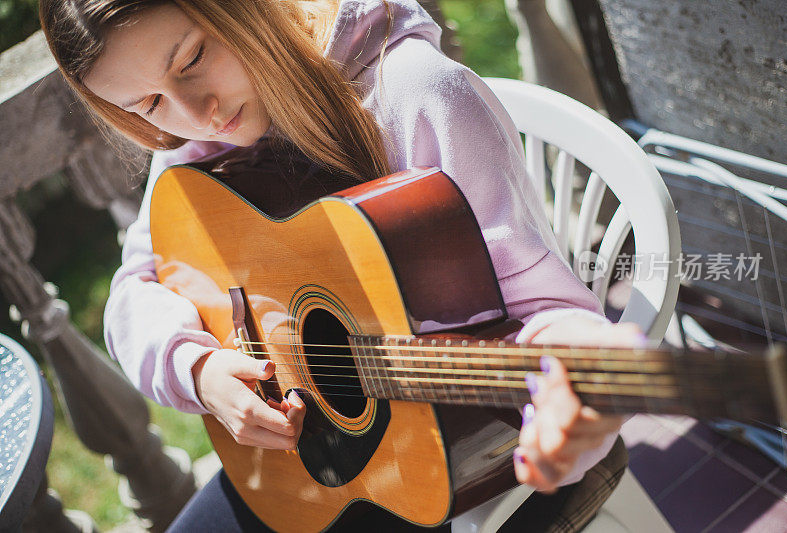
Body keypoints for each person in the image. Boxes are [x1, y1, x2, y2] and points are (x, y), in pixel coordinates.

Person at [40, 0, 643, 529]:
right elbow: (131, 291)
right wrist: (194, 370)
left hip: (446, 468)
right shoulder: (193, 151)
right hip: (299, 470)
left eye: (194, 57)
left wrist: (577, 390)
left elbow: (546, 312)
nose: (195, 113)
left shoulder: (413, 92)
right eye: (147, 104)